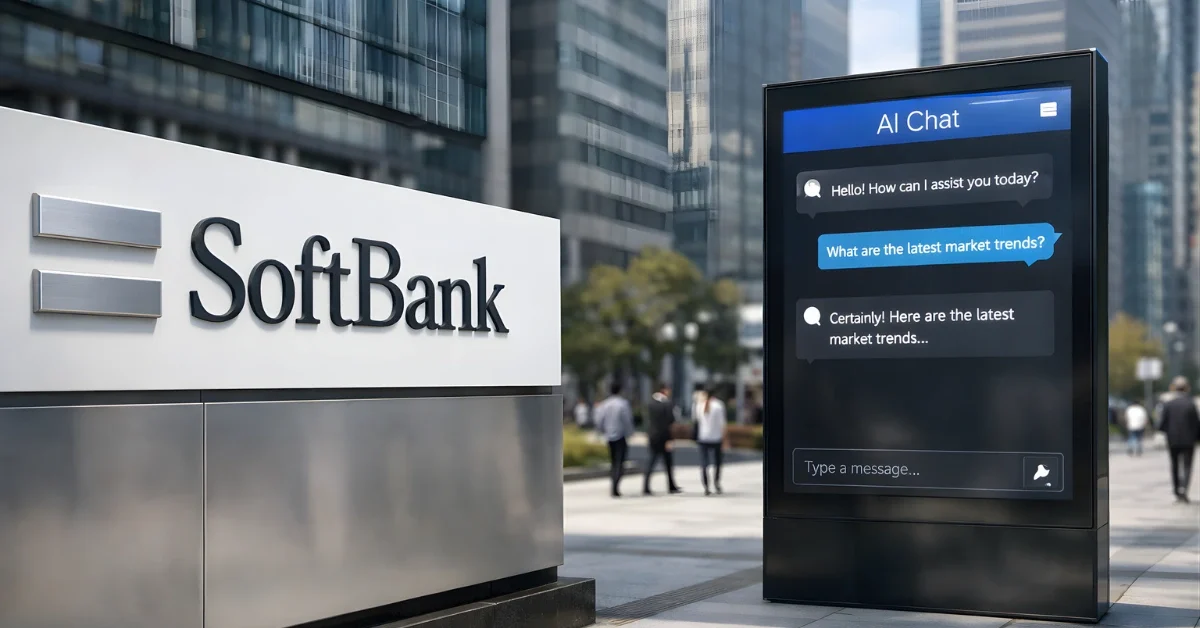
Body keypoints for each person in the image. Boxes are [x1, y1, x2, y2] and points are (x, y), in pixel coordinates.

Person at [1158, 377, 1200, 503]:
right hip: (1189, 440)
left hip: (1173, 440)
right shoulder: (1190, 404)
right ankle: (1184, 490)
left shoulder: (1168, 404)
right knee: (1187, 466)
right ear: (1186, 388)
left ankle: (1176, 490)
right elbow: (1196, 423)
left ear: (1174, 388)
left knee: (1174, 465)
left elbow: (1162, 424)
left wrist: (1168, 433)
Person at [594, 381, 635, 498]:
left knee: (613, 462)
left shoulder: (604, 404)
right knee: (620, 462)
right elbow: (627, 420)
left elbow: (599, 420)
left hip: (609, 437)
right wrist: (630, 433)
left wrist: (601, 431)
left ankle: (613, 485)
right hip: (620, 436)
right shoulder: (623, 404)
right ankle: (615, 487)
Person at [643, 381, 682, 495]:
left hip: (653, 435)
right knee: (668, 462)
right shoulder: (667, 404)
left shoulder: (650, 403)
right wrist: (670, 439)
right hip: (664, 437)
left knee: (651, 461)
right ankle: (671, 486)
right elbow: (670, 421)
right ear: (664, 390)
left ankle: (646, 486)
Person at [695, 387, 727, 496]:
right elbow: (722, 424)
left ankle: (706, 486)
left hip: (703, 437)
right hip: (716, 438)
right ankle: (716, 483)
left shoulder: (699, 405)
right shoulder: (719, 405)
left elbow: (697, 420)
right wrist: (725, 439)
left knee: (704, 463)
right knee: (717, 462)